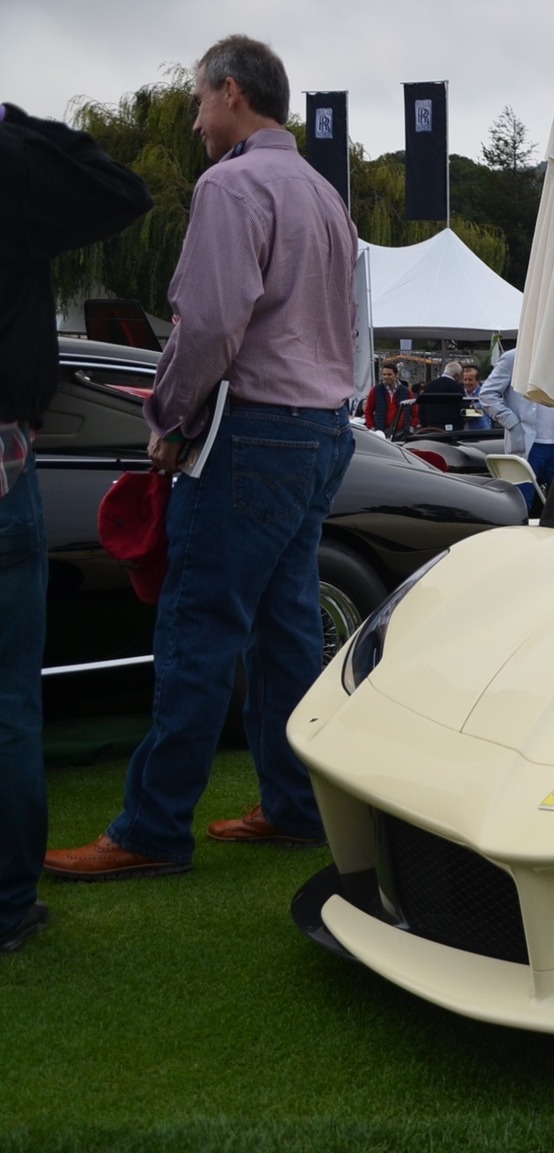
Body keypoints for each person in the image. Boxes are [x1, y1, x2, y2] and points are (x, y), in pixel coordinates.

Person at [45, 34, 360, 880]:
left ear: (229, 93)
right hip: (322, 429)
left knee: (198, 628)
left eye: (197, 102)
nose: (192, 120)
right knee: (287, 629)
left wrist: (168, 414)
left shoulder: (231, 184)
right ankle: (297, 806)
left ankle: (151, 829)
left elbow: (211, 325)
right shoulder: (324, 195)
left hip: (249, 432)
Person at [0, 102, 152, 945]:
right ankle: (7, 905)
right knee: (8, 701)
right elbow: (118, 190)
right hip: (3, 456)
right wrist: (17, 119)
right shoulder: (11, 163)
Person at [477, 348, 554, 501]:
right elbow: (487, 394)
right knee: (522, 501)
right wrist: (512, 423)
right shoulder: (513, 358)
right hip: (527, 443)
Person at [364, 362, 415, 436]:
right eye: (384, 374)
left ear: (396, 375)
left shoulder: (406, 392)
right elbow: (368, 411)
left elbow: (415, 412)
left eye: (389, 374)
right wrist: (372, 428)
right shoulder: (375, 390)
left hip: (402, 432)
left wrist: (411, 428)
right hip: (381, 431)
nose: (386, 377)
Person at [414, 359, 464, 430]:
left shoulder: (430, 385)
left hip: (431, 427)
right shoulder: (457, 387)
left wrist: (425, 425)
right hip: (452, 428)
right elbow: (462, 408)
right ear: (457, 375)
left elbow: (422, 407)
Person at [460, 362, 491, 430]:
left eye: (470, 380)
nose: (467, 382)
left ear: (478, 380)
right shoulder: (460, 393)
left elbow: (482, 409)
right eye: (465, 379)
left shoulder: (484, 393)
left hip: (481, 431)